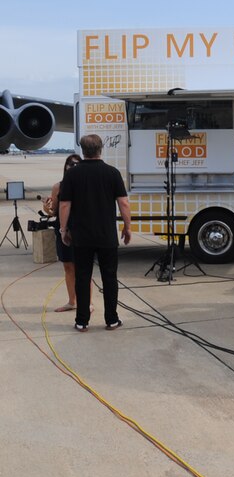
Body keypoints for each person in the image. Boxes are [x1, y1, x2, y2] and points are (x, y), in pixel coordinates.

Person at [59, 134, 132, 332]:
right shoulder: (112, 173)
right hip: (106, 235)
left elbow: (64, 204)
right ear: (101, 149)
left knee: (82, 278)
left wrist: (63, 229)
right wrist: (127, 227)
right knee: (110, 277)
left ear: (82, 150)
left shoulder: (72, 175)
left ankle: (82, 321)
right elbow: (123, 203)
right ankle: (111, 319)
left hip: (81, 236)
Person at [42, 153, 95, 313]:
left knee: (84, 268)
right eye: (70, 164)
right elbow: (54, 211)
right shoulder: (58, 186)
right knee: (68, 267)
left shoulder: (87, 184)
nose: (73, 167)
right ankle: (72, 301)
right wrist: (47, 208)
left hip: (83, 230)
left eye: (77, 164)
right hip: (63, 229)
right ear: (65, 167)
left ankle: (88, 302)